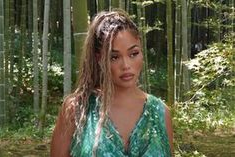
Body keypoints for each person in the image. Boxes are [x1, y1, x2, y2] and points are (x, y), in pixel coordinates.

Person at [51, 10, 173, 157]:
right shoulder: (77, 109)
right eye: (114, 57)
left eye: (133, 54)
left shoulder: (160, 112)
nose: (126, 65)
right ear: (99, 59)